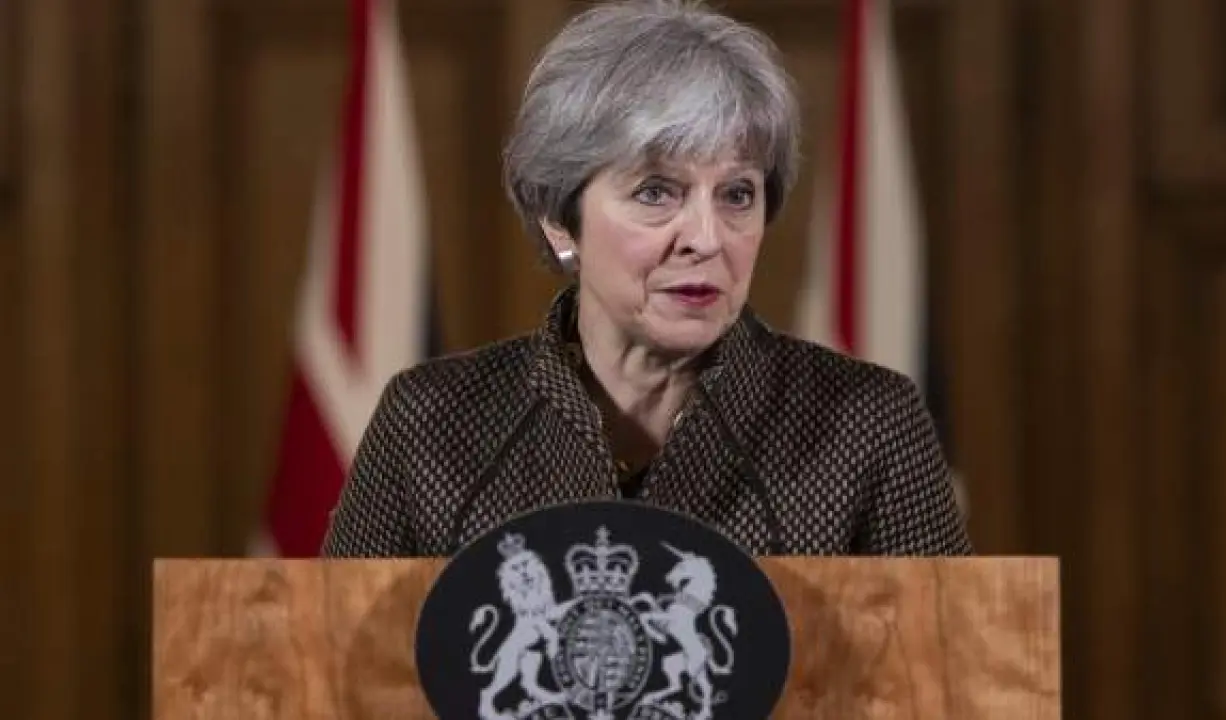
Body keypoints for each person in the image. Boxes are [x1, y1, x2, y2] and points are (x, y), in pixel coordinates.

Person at [322, 0, 971, 558]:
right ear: (559, 219)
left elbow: (947, 658)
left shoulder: (869, 424)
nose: (706, 237)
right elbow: (336, 655)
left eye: (737, 194)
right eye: (656, 191)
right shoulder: (429, 423)